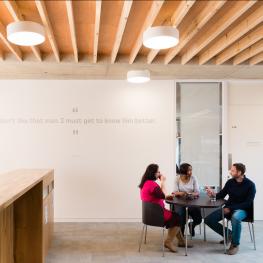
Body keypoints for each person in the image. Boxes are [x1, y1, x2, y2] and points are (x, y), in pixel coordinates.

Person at [204, 163, 256, 255]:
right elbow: (221, 195)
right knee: (208, 219)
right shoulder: (230, 182)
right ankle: (229, 234)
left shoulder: (250, 185)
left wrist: (231, 208)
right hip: (229, 208)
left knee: (235, 218)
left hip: (243, 210)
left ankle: (235, 244)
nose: (230, 172)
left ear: (239, 172)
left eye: (232, 170)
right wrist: (213, 194)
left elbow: (247, 203)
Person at [139, 163, 188, 252]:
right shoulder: (152, 185)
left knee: (174, 216)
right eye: (158, 172)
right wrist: (163, 182)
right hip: (157, 214)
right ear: (153, 173)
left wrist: (165, 195)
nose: (160, 174)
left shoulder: (145, 183)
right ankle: (168, 242)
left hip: (148, 215)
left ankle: (181, 241)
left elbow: (159, 196)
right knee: (177, 218)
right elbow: (163, 195)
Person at [172, 163, 202, 236]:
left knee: (198, 219)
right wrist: (181, 193)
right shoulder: (177, 178)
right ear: (183, 171)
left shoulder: (193, 178)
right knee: (181, 216)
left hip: (192, 201)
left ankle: (192, 225)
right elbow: (175, 192)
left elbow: (197, 192)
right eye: (189, 170)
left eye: (191, 170)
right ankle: (181, 235)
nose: (191, 172)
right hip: (179, 202)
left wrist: (190, 194)